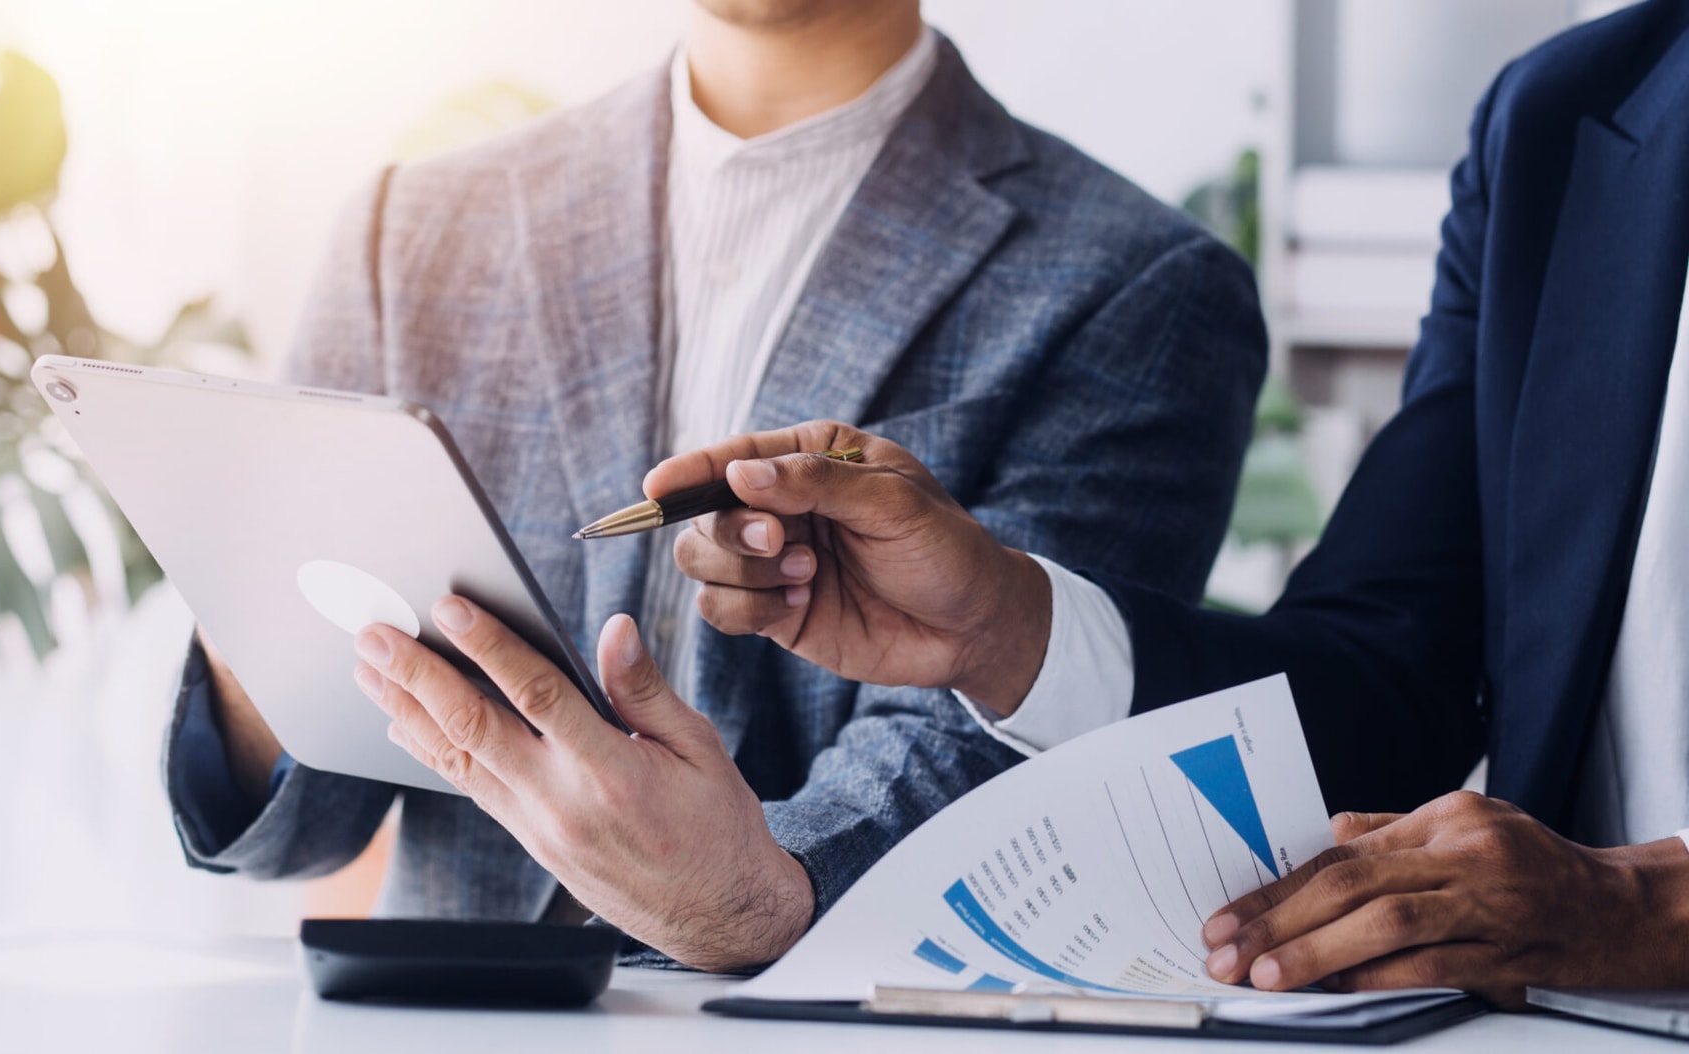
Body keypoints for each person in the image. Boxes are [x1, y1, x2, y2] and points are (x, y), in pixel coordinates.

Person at [604, 0, 1689, 1004]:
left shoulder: (1137, 277)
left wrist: (1648, 909)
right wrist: (1009, 627)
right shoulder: (1564, 114)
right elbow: (1392, 681)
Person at [166, 0, 1266, 970]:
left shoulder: (1140, 282)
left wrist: (749, 891)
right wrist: (253, 613)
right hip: (433, 1013)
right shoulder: (409, 229)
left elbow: (993, 754)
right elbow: (300, 820)